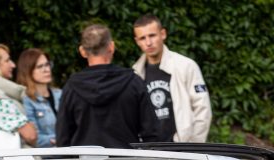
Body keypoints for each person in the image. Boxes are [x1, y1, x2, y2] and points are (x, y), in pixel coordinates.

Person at [55, 24, 163, 148]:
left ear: (82, 51)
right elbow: (152, 134)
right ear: (111, 46)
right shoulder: (133, 82)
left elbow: (63, 138)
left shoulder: (71, 87)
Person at [132, 14, 211, 143]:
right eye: (142, 38)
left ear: (163, 34)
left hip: (182, 147)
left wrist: (194, 147)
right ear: (137, 41)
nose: (148, 42)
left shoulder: (186, 66)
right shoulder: (136, 72)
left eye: (152, 35)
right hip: (148, 150)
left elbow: (203, 110)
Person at [17, 48, 63, 147]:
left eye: (47, 64)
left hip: (73, 153)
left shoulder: (60, 94)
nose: (46, 70)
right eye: (39, 67)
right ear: (28, 71)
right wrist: (61, 139)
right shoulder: (26, 100)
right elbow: (34, 138)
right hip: (47, 159)